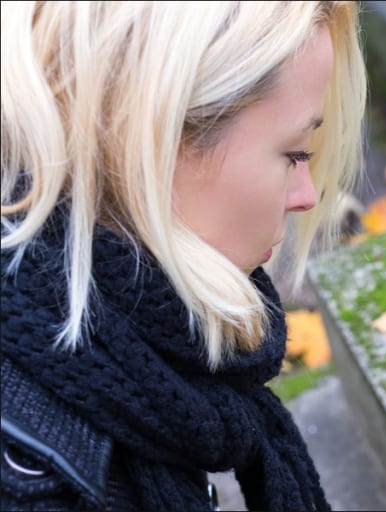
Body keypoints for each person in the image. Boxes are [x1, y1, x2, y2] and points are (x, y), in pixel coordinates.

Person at [0, 1, 366, 510]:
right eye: (296, 153)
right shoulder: (40, 487)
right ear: (158, 143)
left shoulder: (113, 361)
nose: (307, 194)